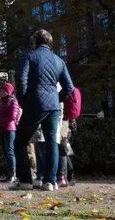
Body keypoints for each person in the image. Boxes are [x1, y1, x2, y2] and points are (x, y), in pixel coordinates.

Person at [11, 30, 74, 191]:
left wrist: (23, 101)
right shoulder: (59, 61)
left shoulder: (28, 56)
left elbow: (21, 80)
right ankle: (50, 181)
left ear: (34, 41)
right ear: (50, 42)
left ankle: (25, 180)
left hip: (34, 103)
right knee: (52, 142)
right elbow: (69, 87)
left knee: (20, 141)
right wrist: (57, 99)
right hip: (53, 106)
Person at [0, 83, 20, 183]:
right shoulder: (2, 102)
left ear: (7, 91)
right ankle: (9, 173)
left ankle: (12, 174)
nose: (0, 92)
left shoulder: (13, 101)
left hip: (9, 129)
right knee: (6, 152)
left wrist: (1, 122)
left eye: (1, 91)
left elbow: (13, 116)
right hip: (2, 129)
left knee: (10, 151)